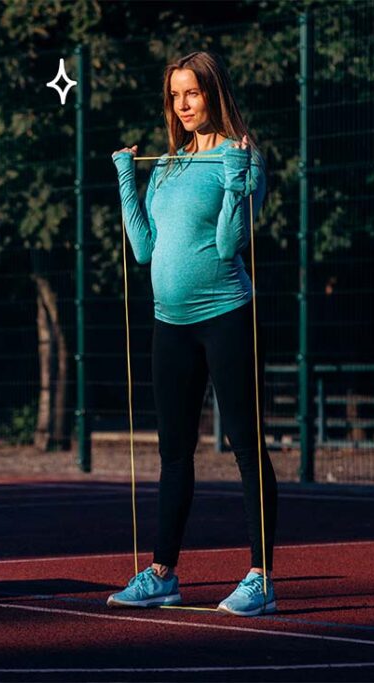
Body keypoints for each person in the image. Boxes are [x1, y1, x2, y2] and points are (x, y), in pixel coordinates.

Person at [106, 51, 278, 616]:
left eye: (193, 94)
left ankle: (259, 578)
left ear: (213, 94)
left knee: (244, 444)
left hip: (228, 315)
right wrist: (127, 181)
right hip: (169, 324)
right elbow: (142, 248)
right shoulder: (169, 166)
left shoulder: (242, 156)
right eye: (175, 95)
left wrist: (236, 180)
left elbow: (231, 245)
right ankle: (162, 574)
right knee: (173, 452)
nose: (182, 105)